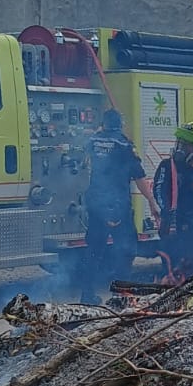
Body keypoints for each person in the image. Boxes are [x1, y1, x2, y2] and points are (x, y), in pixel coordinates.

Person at [82, 108, 158, 303]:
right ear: (120, 124)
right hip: (117, 206)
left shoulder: (93, 141)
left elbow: (86, 160)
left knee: (93, 250)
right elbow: (139, 177)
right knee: (125, 250)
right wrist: (151, 201)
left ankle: (87, 294)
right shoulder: (124, 144)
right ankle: (121, 294)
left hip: (95, 203)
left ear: (104, 123)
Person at [154, 121, 193, 282]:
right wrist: (168, 211)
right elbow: (158, 190)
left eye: (185, 145)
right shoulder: (167, 166)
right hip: (172, 230)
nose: (180, 148)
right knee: (171, 273)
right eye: (179, 143)